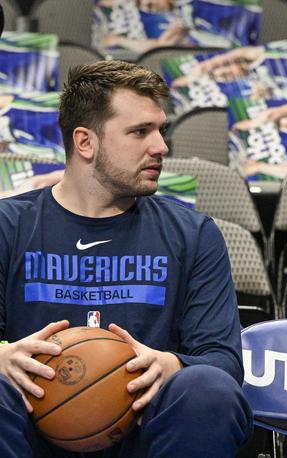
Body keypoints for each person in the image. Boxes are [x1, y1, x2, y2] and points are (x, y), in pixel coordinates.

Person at [0, 61, 253, 457]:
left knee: (208, 389)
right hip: (31, 431)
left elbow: (224, 361)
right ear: (85, 142)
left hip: (144, 431)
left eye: (161, 131)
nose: (161, 147)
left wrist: (172, 365)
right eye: (140, 132)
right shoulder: (8, 227)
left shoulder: (194, 234)